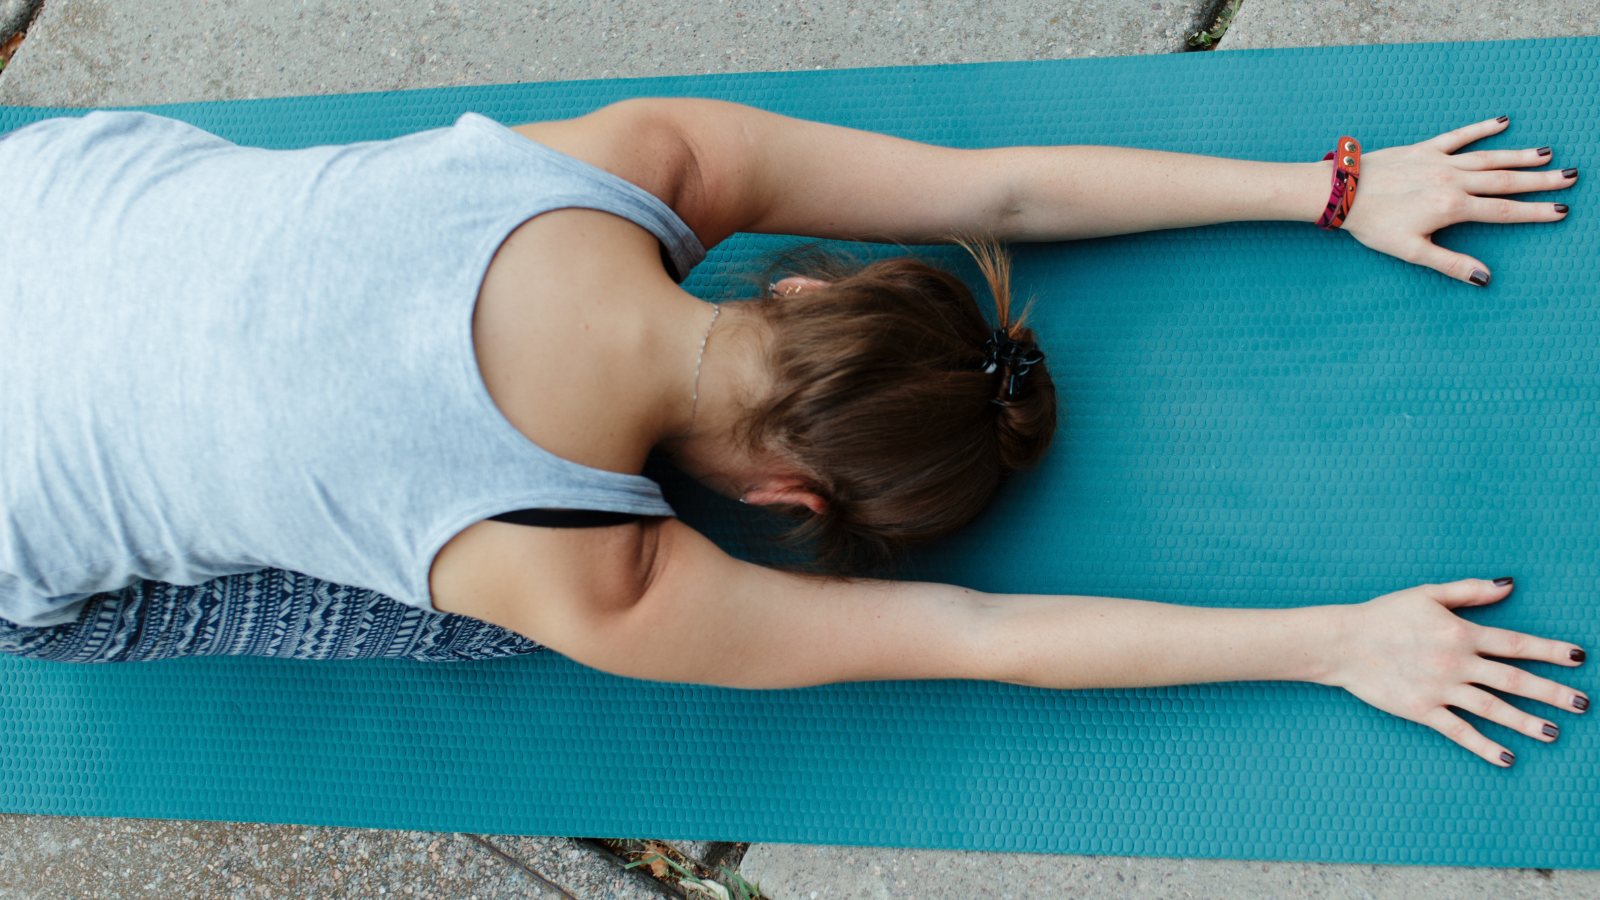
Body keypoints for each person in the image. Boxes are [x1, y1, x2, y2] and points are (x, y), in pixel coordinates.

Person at [0, 99, 1585, 769]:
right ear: (782, 492)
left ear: (814, 284)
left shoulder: (652, 158)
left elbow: (994, 194)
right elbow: (970, 637)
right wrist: (1328, 642)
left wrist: (1330, 187)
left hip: (45, 190)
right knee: (472, 628)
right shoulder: (584, 578)